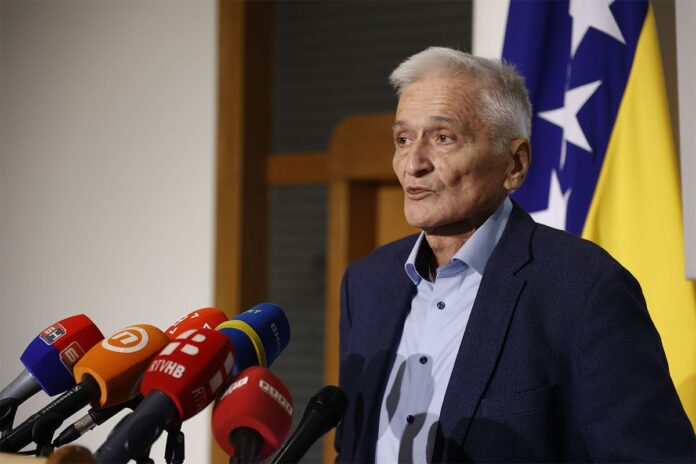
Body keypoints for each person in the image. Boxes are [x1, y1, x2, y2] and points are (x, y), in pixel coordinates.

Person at [335, 47, 695, 463]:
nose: (412, 163)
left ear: (515, 165)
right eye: (403, 139)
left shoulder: (583, 289)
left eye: (443, 138)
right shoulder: (367, 285)